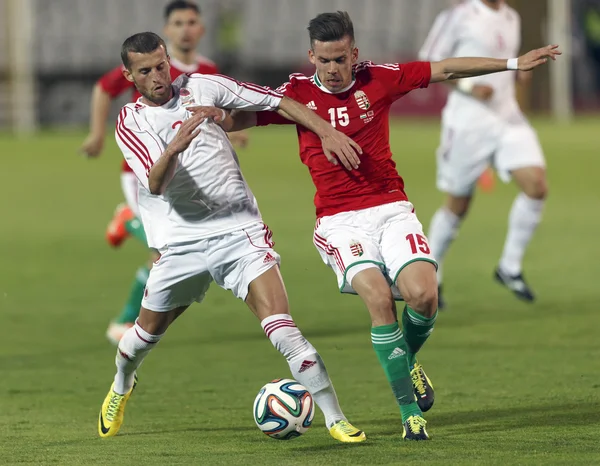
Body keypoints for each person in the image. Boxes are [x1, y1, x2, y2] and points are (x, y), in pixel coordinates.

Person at [194, 11, 559, 440]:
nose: (332, 70)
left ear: (355, 53)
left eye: (340, 59)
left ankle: (407, 359)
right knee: (380, 298)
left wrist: (513, 64)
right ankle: (410, 414)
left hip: (391, 209)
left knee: (424, 296)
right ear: (312, 56)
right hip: (339, 222)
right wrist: (219, 119)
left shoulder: (379, 79)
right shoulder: (296, 93)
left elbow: (445, 68)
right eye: (324, 60)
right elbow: (248, 116)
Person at [98, 31, 366, 444]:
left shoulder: (204, 85)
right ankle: (121, 385)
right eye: (146, 70)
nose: (157, 76)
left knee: (284, 330)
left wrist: (325, 131)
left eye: (161, 64)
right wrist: (175, 146)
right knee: (143, 338)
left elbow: (278, 101)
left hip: (239, 231)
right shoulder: (130, 120)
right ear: (129, 75)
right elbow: (155, 184)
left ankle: (335, 418)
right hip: (180, 242)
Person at [80, 1, 246, 344]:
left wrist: (234, 127)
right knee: (164, 251)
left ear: (200, 29)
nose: (185, 28)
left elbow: (215, 110)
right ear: (167, 31)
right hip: (143, 175)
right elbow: (103, 88)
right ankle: (127, 315)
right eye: (178, 22)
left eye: (191, 22)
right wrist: (97, 134)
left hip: (187, 178)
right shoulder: (144, 63)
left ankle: (127, 227)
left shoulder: (206, 70)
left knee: (167, 251)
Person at [419, 0, 550, 307]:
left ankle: (509, 267)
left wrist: (517, 75)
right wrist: (469, 88)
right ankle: (430, 275)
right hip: (467, 124)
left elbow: (505, 65)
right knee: (458, 204)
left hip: (507, 118)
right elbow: (428, 62)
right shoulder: (459, 16)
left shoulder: (511, 17)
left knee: (536, 184)